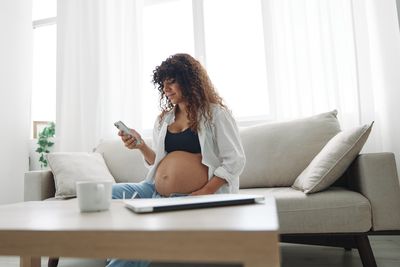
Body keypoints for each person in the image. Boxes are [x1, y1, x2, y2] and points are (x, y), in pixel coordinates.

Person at [106, 53, 246, 267]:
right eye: (163, 84)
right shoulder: (164, 119)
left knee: (141, 238)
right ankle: (110, 247)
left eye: (171, 82)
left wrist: (205, 192)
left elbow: (235, 161)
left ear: (189, 81)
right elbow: (159, 162)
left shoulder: (216, 114)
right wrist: (141, 146)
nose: (166, 89)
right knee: (104, 195)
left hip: (190, 196)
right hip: (152, 189)